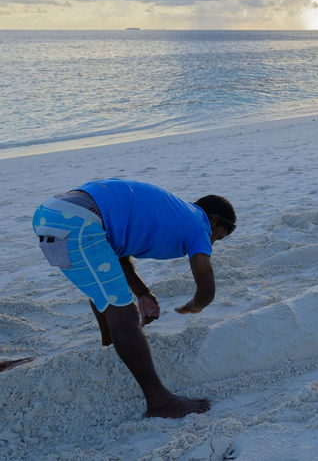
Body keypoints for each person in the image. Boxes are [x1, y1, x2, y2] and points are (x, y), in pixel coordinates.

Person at [32, 179, 236, 418]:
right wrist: (194, 306)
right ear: (213, 220)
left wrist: (142, 293)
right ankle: (160, 402)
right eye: (217, 237)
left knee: (103, 289)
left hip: (51, 213)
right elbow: (207, 289)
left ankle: (111, 348)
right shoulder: (198, 225)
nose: (212, 243)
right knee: (123, 312)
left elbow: (116, 253)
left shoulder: (174, 210)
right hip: (79, 220)